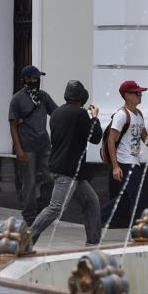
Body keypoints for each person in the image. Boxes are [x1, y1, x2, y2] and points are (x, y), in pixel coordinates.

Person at [29, 80, 103, 247]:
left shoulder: (56, 113)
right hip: (68, 171)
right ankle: (27, 238)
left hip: (67, 169)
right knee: (55, 208)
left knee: (91, 202)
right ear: (81, 97)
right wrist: (95, 117)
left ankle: (93, 242)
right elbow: (95, 137)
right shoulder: (80, 114)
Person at [99, 80, 148, 225]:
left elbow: (144, 136)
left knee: (124, 199)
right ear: (127, 95)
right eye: (137, 93)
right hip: (125, 162)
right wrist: (115, 166)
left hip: (134, 161)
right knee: (138, 197)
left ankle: (96, 217)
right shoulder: (121, 115)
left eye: (140, 93)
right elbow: (111, 141)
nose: (140, 95)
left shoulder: (138, 114)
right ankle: (139, 229)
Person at [9, 65, 58, 222]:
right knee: (29, 182)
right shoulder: (17, 99)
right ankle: (29, 215)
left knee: (50, 178)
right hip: (26, 146)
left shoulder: (43, 97)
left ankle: (44, 209)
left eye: (38, 78)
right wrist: (18, 149)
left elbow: (56, 114)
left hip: (44, 145)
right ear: (26, 79)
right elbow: (13, 125)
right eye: (34, 78)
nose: (37, 81)